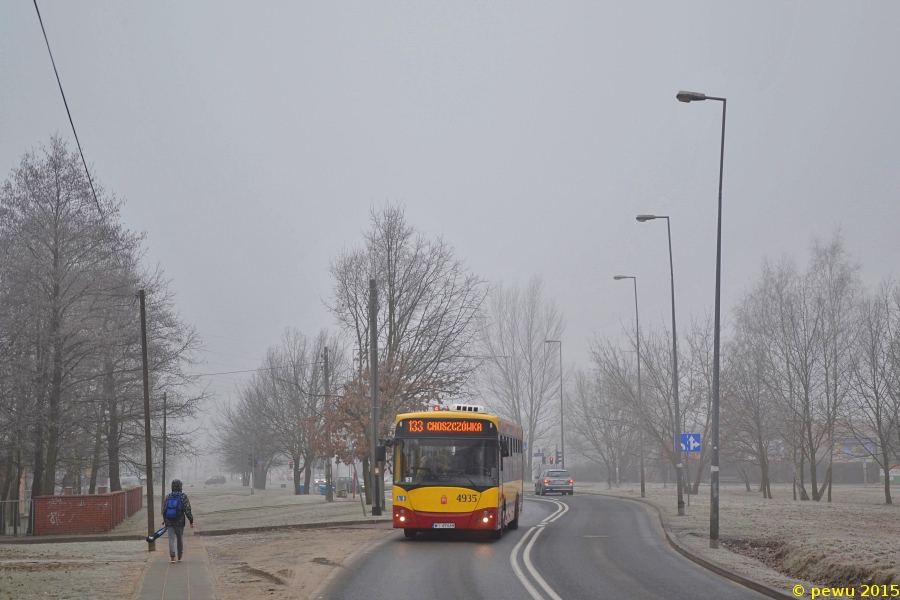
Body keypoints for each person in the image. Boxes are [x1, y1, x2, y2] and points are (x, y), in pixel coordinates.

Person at [161, 479, 194, 563]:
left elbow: (164, 509)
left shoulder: (168, 496)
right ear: (180, 486)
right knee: (179, 538)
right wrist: (191, 520)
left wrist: (165, 521)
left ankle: (172, 556)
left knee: (171, 538)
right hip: (179, 521)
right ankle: (180, 555)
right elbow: (187, 509)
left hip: (169, 520)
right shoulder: (183, 496)